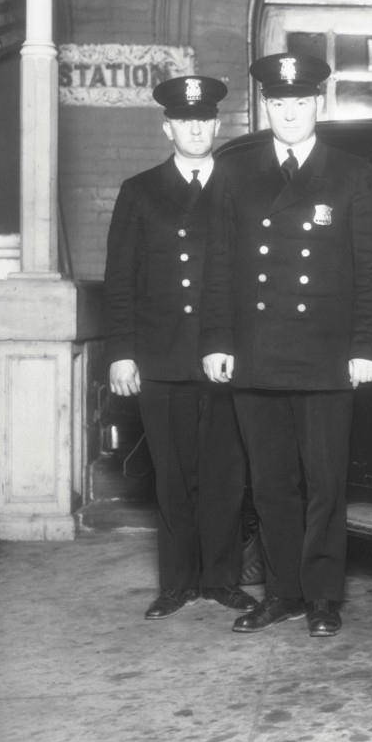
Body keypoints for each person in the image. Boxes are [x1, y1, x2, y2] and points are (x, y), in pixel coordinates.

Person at [201, 52, 372, 638]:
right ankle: (282, 592)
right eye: (278, 103)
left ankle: (323, 596)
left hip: (327, 356)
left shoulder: (353, 173)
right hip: (256, 354)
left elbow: (371, 271)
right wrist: (216, 341)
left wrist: (367, 347)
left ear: (317, 105)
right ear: (266, 106)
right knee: (271, 484)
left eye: (299, 102)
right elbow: (219, 264)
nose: (288, 112)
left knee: (326, 484)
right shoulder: (235, 172)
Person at [103, 75, 255, 620]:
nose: (195, 128)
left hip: (227, 359)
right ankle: (177, 583)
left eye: (205, 119)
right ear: (168, 127)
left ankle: (221, 579)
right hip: (162, 357)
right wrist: (122, 351)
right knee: (172, 474)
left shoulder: (243, 188)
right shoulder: (139, 191)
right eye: (184, 120)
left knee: (224, 473)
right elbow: (120, 279)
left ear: (218, 125)